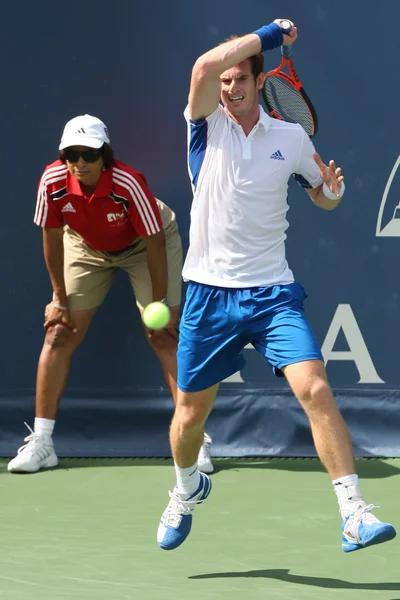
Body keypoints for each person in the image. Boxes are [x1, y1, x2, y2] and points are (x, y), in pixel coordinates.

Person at [157, 20, 396, 552]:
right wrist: (270, 33)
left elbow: (322, 195)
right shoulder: (203, 125)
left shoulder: (290, 137)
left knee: (315, 388)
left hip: (271, 294)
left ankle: (353, 512)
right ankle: (187, 488)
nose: (230, 87)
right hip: (208, 294)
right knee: (190, 417)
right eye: (226, 80)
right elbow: (201, 67)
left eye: (240, 78)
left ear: (259, 82)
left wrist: (331, 192)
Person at [8, 114, 213, 474]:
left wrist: (160, 303)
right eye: (71, 155)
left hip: (145, 244)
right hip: (85, 246)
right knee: (59, 332)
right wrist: (59, 298)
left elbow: (154, 243)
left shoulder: (128, 183)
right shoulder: (53, 181)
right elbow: (52, 238)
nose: (79, 163)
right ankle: (42, 442)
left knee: (164, 335)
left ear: (105, 155)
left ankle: (193, 437)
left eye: (88, 154)